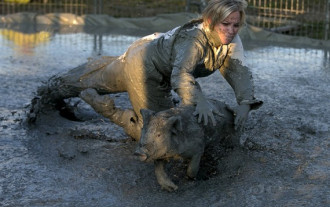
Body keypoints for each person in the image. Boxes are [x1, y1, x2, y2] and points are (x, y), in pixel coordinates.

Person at [31, 0, 262, 140]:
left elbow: (238, 70)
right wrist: (198, 99)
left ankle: (62, 87)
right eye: (226, 24)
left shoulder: (231, 40)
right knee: (154, 133)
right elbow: (181, 74)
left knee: (96, 75)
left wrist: (245, 103)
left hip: (153, 56)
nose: (231, 30)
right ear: (211, 20)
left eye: (235, 25)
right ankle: (104, 108)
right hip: (143, 65)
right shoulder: (194, 38)